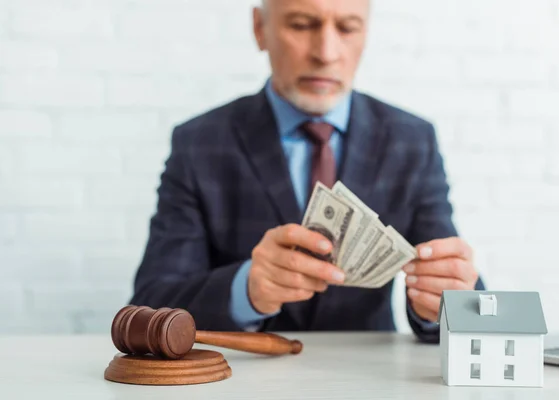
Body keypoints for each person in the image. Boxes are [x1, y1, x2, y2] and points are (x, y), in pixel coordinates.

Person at [129, 0, 485, 343]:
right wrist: (246, 289)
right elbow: (150, 305)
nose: (326, 52)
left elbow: (461, 295)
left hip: (368, 379)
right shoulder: (199, 143)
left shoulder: (411, 141)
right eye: (301, 25)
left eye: (347, 28)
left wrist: (441, 303)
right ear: (259, 28)